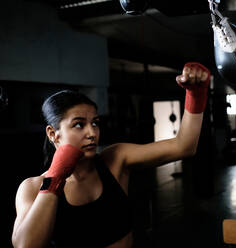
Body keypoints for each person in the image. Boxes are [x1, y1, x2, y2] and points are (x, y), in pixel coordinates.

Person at [11, 62, 211, 248]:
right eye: (79, 124)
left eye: (95, 123)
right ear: (53, 134)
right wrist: (55, 179)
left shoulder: (115, 159)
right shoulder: (32, 187)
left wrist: (196, 94)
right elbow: (25, 245)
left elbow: (184, 146)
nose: (92, 133)